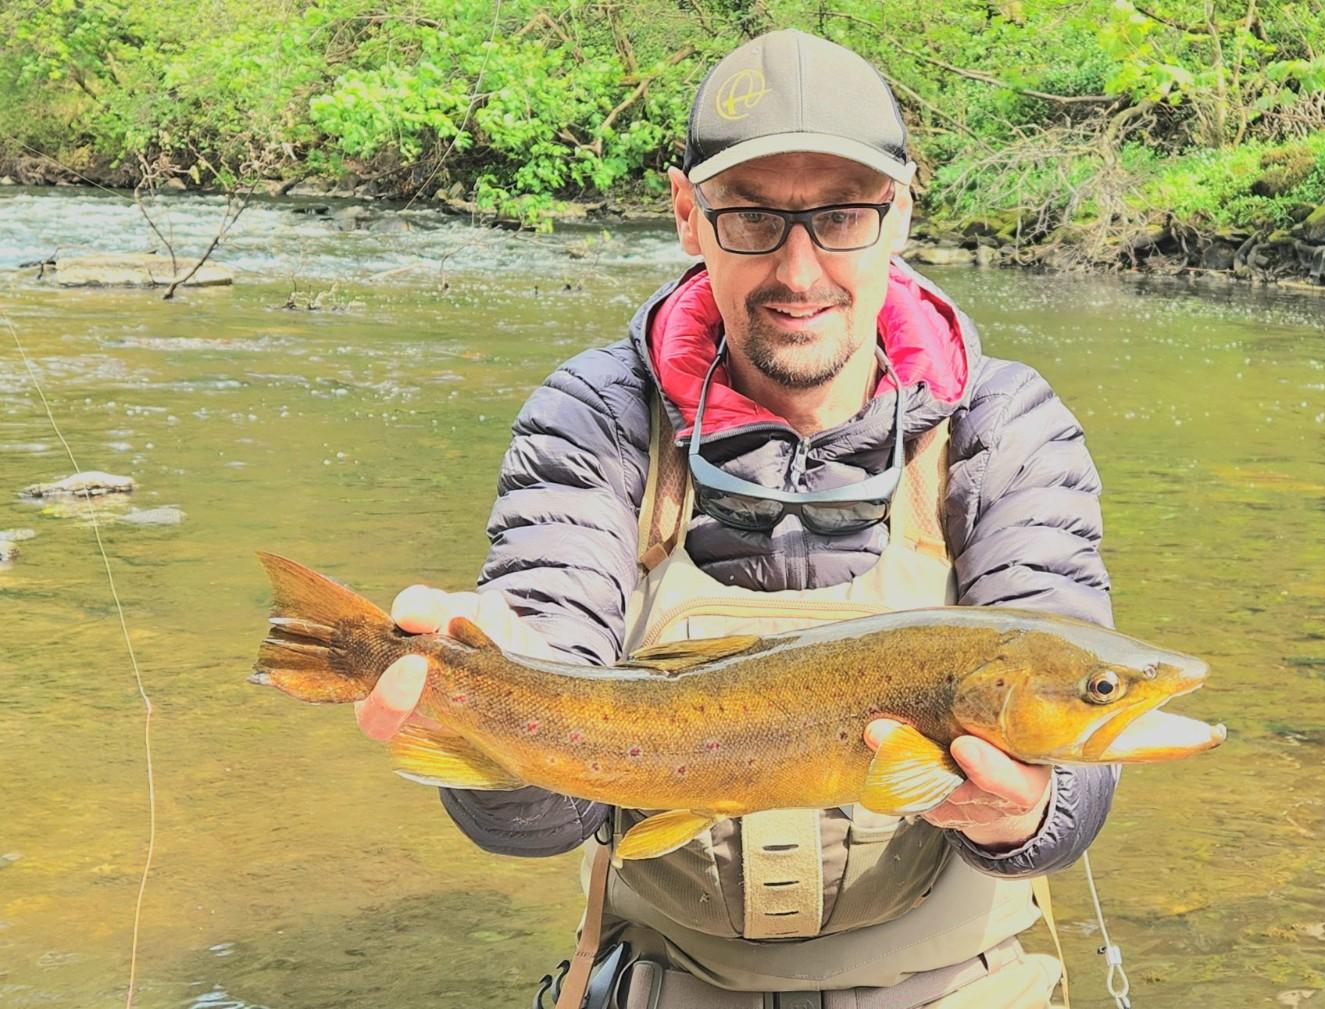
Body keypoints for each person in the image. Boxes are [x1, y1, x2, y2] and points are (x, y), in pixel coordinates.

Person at [356, 28, 1115, 1009]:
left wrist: (1030, 809)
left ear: (902, 211)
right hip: (673, 983)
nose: (799, 272)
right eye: (752, 219)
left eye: (843, 216)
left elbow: (1084, 732)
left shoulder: (1003, 426)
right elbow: (535, 811)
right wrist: (494, 708)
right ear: (688, 214)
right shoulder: (597, 418)